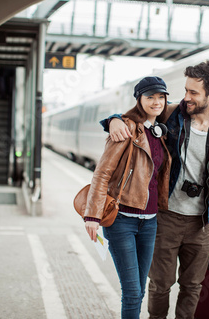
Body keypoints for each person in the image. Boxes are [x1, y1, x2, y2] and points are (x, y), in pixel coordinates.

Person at [102, 60, 209, 319]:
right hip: (166, 216)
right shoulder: (171, 115)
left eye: (193, 93)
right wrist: (112, 120)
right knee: (160, 284)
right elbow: (136, 116)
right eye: (185, 90)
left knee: (192, 285)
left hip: (201, 222)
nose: (185, 97)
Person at [84, 76, 172, 319]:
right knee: (132, 291)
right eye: (150, 97)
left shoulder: (161, 131)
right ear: (139, 99)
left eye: (161, 97)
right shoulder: (126, 128)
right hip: (122, 220)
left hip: (150, 222)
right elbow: (102, 173)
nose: (156, 102)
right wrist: (92, 215)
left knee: (139, 290)